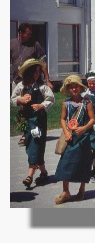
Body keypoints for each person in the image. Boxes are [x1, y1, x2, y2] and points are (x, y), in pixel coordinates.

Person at [11, 58, 55, 188]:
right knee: (32, 145)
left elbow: (51, 99)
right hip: (27, 120)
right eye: (34, 71)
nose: (37, 74)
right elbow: (13, 99)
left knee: (35, 143)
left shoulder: (42, 86)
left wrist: (42, 105)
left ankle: (30, 175)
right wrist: (21, 99)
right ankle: (43, 171)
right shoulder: (21, 86)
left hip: (39, 120)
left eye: (38, 71)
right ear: (28, 73)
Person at [54, 75, 95, 204]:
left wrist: (84, 128)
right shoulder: (66, 104)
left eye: (76, 86)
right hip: (70, 138)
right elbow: (62, 119)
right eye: (71, 87)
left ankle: (82, 189)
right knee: (65, 163)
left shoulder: (87, 103)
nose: (74, 89)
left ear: (80, 88)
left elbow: (93, 119)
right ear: (68, 90)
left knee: (83, 163)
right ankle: (65, 191)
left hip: (83, 139)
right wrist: (66, 132)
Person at [11, 23, 53, 147]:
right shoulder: (11, 44)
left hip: (32, 80)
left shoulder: (35, 44)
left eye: (31, 34)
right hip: (17, 80)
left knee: (32, 105)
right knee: (22, 106)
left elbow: (42, 61)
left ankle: (30, 132)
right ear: (21, 33)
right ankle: (27, 130)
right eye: (28, 34)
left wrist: (47, 79)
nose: (30, 36)